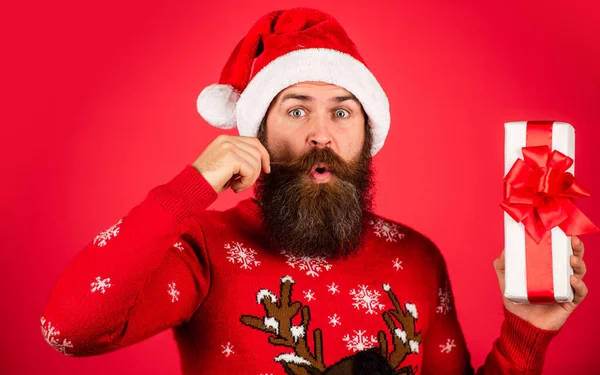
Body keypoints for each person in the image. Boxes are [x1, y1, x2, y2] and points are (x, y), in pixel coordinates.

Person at [40, 7, 589, 375]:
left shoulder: (416, 258)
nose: (320, 134)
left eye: (342, 112)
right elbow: (68, 329)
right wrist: (190, 188)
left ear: (367, 134)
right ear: (256, 131)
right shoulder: (204, 248)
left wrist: (529, 328)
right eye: (296, 109)